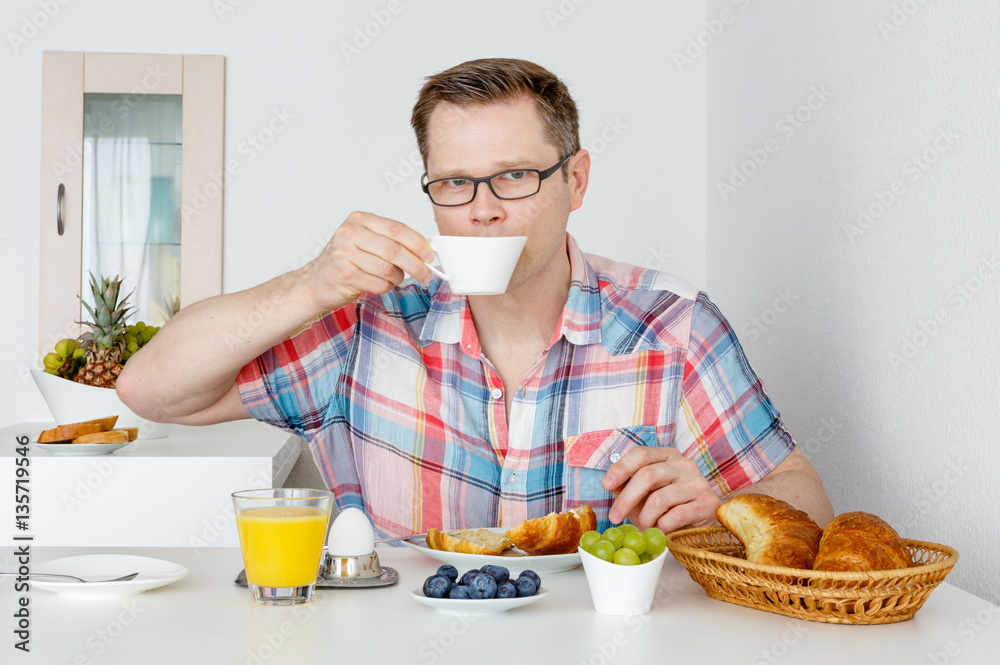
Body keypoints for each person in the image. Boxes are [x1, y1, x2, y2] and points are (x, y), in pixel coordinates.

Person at [117, 58, 833, 537]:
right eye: (455, 183)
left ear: (576, 181)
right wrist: (309, 283)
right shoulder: (367, 325)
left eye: (515, 175)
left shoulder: (672, 326)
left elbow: (808, 499)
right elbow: (152, 390)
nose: (482, 209)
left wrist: (725, 510)